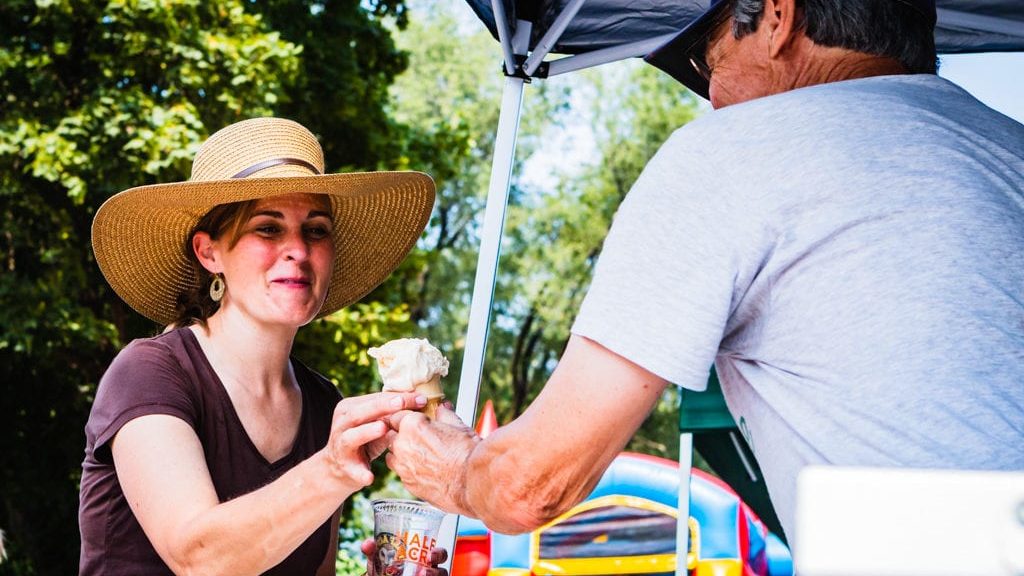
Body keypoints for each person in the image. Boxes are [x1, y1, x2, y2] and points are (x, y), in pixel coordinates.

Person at [383, 0, 1024, 542]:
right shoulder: (1010, 147)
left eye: (707, 63)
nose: (711, 97)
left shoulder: (735, 152)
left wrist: (457, 471)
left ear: (778, 16)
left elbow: (531, 486)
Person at [79, 117, 445, 575]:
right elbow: (198, 558)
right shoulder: (151, 371)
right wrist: (332, 469)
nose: (298, 249)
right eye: (268, 229)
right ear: (209, 252)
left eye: (316, 230)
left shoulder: (321, 402)